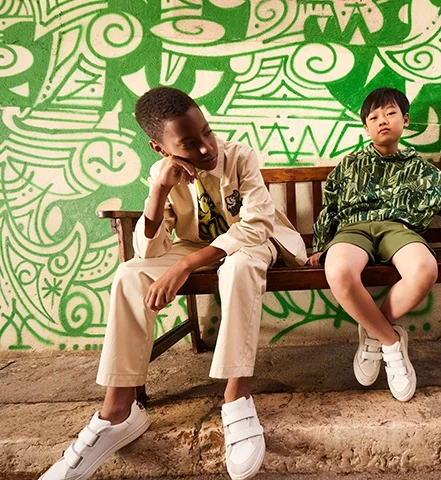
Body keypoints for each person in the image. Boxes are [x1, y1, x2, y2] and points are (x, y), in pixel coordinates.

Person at [40, 87, 307, 480]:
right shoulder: (162, 175)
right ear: (160, 148)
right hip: (194, 246)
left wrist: (185, 267)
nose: (206, 147)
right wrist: (159, 189)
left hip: (250, 243)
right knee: (129, 274)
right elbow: (148, 250)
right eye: (189, 143)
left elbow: (255, 227)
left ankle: (237, 395)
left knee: (238, 267)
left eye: (207, 132)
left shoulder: (240, 156)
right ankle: (118, 411)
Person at [308, 87, 441, 402]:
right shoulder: (350, 164)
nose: (382, 121)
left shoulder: (417, 166)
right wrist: (321, 244)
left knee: (424, 269)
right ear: (366, 127)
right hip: (354, 228)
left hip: (398, 228)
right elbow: (330, 206)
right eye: (374, 117)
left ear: (405, 119)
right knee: (339, 270)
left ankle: (373, 333)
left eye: (390, 113)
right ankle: (390, 341)